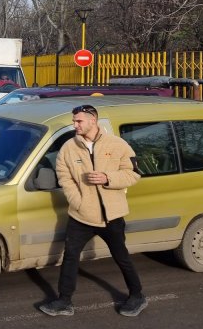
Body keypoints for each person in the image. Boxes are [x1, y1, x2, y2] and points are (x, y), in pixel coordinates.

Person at [39, 104, 147, 317]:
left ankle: (137, 295)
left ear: (92, 121)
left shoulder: (117, 145)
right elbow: (64, 176)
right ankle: (64, 301)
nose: (75, 125)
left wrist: (108, 178)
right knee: (70, 256)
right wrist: (76, 200)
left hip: (112, 216)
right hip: (81, 215)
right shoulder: (69, 148)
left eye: (78, 121)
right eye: (74, 121)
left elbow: (133, 174)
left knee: (121, 256)